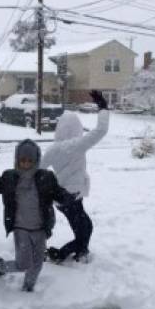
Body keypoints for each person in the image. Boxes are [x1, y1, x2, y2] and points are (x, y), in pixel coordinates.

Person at [0, 139, 73, 292]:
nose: (26, 164)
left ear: (36, 160)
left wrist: (68, 197)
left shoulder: (46, 177)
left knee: (37, 264)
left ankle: (28, 289)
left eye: (30, 160)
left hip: (40, 228)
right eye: (22, 160)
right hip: (20, 228)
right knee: (23, 264)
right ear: (17, 160)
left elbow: (58, 193)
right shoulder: (9, 177)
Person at [41, 90, 110, 263]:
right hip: (70, 197)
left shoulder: (53, 149)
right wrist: (103, 107)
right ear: (75, 129)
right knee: (85, 229)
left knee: (84, 227)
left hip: (62, 198)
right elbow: (101, 130)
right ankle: (61, 254)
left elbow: (37, 170)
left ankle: (79, 252)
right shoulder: (76, 145)